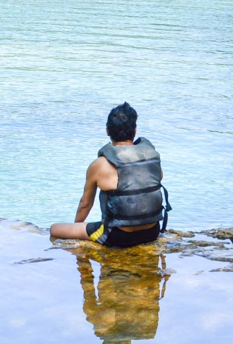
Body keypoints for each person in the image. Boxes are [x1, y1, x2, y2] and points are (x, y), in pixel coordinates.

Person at [49, 103, 171, 248]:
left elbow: (85, 204)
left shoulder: (99, 164)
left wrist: (77, 229)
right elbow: (156, 180)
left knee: (54, 229)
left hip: (117, 235)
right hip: (152, 232)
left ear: (107, 131)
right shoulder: (151, 157)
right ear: (135, 131)